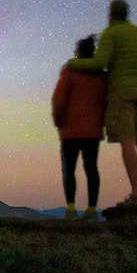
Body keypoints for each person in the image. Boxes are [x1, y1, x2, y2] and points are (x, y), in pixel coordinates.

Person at [67, 0, 137, 205]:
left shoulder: (111, 33)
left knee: (128, 140)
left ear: (111, 15)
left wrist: (75, 62)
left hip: (121, 93)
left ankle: (136, 193)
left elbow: (100, 63)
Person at [52, 35, 107, 220]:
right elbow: (105, 101)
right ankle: (91, 210)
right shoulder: (100, 75)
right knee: (91, 168)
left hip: (70, 130)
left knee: (69, 169)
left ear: (78, 53)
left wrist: (58, 121)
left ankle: (71, 208)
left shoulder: (69, 72)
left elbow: (59, 99)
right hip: (93, 130)